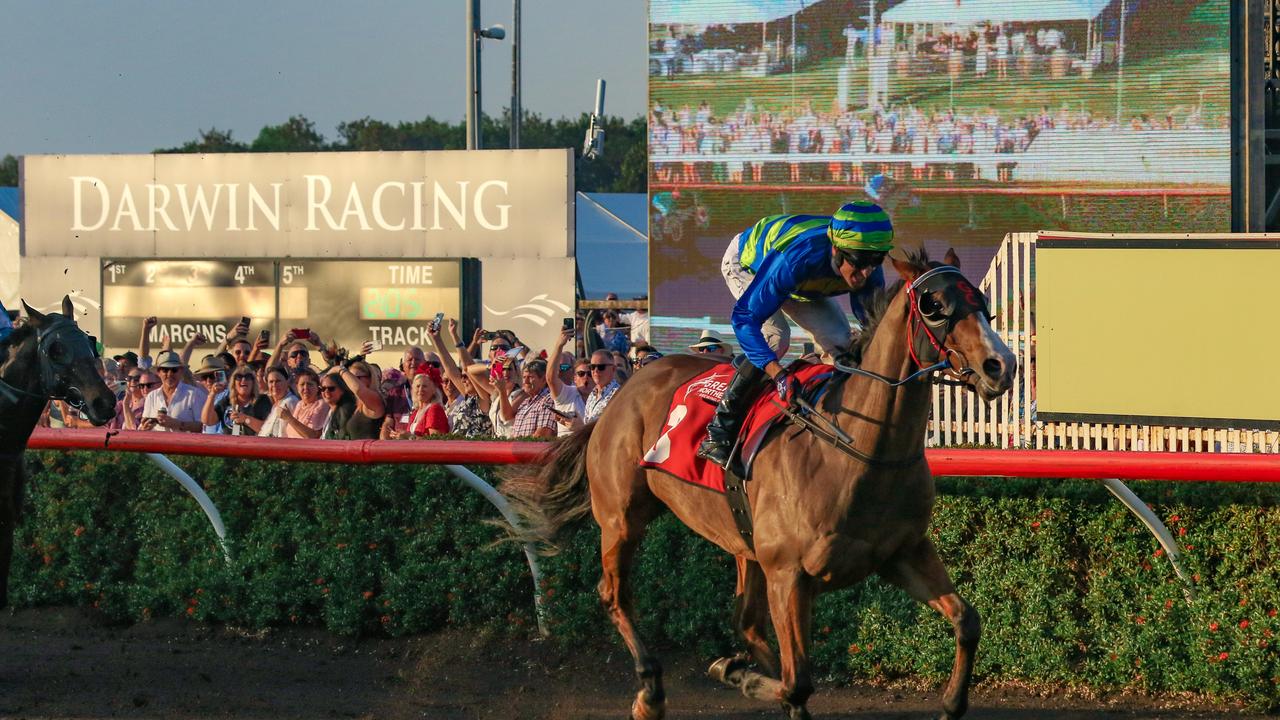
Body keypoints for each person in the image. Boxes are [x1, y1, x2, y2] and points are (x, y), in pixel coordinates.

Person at [697, 199, 894, 468]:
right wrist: (778, 374)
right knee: (776, 337)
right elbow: (743, 319)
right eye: (859, 263)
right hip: (750, 265)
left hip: (802, 280)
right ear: (836, 249)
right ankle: (719, 430)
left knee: (842, 344)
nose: (865, 273)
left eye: (875, 263)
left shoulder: (865, 259)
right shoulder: (799, 257)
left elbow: (872, 325)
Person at [141, 350, 208, 432]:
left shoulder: (195, 394)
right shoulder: (151, 396)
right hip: (157, 443)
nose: (169, 374)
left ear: (181, 371)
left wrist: (178, 424)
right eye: (165, 370)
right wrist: (144, 427)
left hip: (184, 444)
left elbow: (205, 427)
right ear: (158, 372)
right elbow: (144, 425)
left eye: (174, 370)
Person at [204, 366, 272, 435]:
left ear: (253, 382)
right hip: (230, 444)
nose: (243, 380)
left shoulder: (262, 400)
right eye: (239, 377)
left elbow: (269, 429)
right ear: (233, 383)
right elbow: (208, 421)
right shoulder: (227, 401)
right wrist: (212, 394)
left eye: (248, 377)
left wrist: (245, 419)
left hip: (253, 444)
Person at [383, 371, 449, 438]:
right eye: (418, 386)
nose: (420, 389)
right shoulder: (415, 413)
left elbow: (436, 441)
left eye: (425, 386)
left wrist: (409, 437)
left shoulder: (434, 409)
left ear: (433, 390)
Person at [510, 358, 557, 439]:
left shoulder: (548, 400)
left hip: (533, 450)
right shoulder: (524, 402)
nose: (526, 381)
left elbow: (543, 435)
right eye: (524, 377)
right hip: (518, 450)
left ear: (543, 380)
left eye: (530, 377)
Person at [279, 367, 329, 439]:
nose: (306, 388)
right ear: (297, 388)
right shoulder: (300, 404)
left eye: (310, 384)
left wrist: (289, 418)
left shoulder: (322, 404)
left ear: (317, 388)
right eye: (302, 384)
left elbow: (313, 436)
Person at [257, 366, 299, 437]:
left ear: (287, 382)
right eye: (271, 382)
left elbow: (282, 434)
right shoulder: (277, 404)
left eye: (278, 381)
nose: (274, 385)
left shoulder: (290, 402)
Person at [584, 349, 620, 423]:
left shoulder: (618, 394)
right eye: (592, 367)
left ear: (613, 369)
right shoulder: (592, 394)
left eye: (601, 367)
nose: (596, 371)